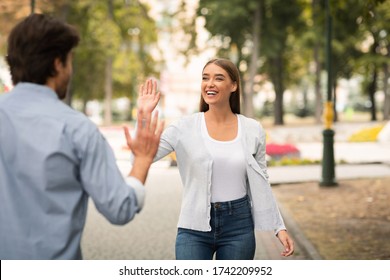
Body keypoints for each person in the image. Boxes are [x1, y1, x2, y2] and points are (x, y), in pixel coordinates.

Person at [0, 13, 163, 259]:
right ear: (57, 64)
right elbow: (120, 208)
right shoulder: (77, 130)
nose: (70, 69)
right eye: (69, 61)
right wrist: (142, 160)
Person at [135, 58, 294, 260]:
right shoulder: (184, 127)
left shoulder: (253, 129)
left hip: (239, 226)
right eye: (205, 78)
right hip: (193, 227)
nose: (210, 83)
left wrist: (279, 226)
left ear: (234, 85)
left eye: (218, 78)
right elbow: (141, 155)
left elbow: (261, 181)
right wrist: (143, 116)